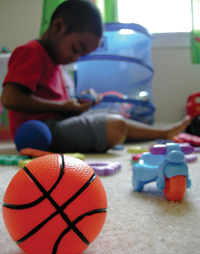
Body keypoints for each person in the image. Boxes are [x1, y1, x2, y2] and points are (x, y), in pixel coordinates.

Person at [1, 0, 190, 153]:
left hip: (56, 123)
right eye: (76, 49)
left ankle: (162, 132)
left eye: (81, 55)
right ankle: (161, 132)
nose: (75, 58)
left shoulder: (55, 63)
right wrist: (62, 106)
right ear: (58, 27)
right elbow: (10, 98)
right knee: (114, 126)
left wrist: (77, 103)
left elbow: (55, 105)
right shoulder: (31, 52)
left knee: (113, 115)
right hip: (39, 131)